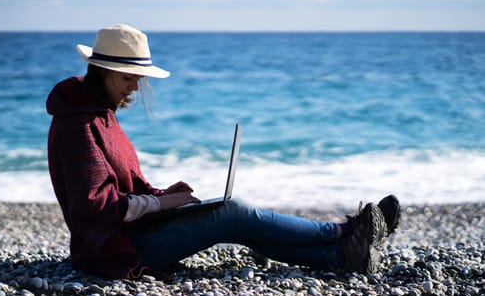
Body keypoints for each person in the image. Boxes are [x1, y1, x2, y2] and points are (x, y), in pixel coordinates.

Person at [46, 24, 401, 279]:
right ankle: (343, 231)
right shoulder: (79, 124)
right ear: (103, 70)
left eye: (138, 79)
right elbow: (93, 207)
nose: (136, 88)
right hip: (112, 248)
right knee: (234, 212)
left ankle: (342, 256)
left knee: (237, 221)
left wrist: (162, 196)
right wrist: (160, 205)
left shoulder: (97, 113)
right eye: (128, 78)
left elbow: (121, 190)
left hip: (130, 232)